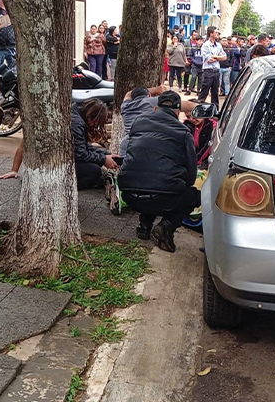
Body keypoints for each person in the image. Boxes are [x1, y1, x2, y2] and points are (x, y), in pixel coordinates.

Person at [119, 91, 201, 253]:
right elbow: (191, 176)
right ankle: (166, 227)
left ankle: (144, 226)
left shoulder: (138, 123)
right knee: (194, 196)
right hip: (163, 198)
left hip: (129, 194)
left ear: (155, 108)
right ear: (178, 112)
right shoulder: (184, 132)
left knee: (148, 179)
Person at [72, 98, 119, 189]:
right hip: (72, 160)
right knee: (94, 171)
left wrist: (106, 155)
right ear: (93, 117)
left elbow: (83, 146)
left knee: (96, 166)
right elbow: (80, 154)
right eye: (97, 124)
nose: (96, 127)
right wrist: (104, 159)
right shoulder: (76, 124)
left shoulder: (78, 117)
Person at [199, 26, 227, 107]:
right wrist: (218, 57)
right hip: (208, 71)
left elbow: (224, 57)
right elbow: (209, 60)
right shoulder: (206, 45)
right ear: (211, 34)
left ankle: (215, 111)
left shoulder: (218, 45)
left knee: (215, 93)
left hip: (216, 72)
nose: (218, 34)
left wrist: (215, 57)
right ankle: (198, 109)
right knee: (204, 92)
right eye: (216, 32)